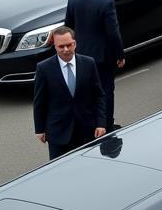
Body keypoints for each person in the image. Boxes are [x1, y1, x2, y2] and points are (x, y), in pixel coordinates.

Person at [65, 0, 125, 131]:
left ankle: (87, 122)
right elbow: (113, 32)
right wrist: (119, 55)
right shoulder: (106, 2)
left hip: (80, 56)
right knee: (105, 91)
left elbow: (68, 28)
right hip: (102, 57)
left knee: (85, 90)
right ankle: (106, 124)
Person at [33, 26, 107, 159]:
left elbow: (98, 96)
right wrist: (39, 129)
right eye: (61, 46)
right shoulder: (44, 68)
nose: (66, 50)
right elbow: (40, 101)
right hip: (58, 133)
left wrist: (101, 123)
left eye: (68, 45)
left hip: (86, 130)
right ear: (54, 46)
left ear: (75, 43)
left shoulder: (88, 63)